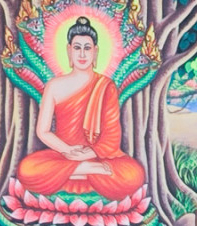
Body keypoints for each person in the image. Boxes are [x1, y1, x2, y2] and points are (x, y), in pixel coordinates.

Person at [14, 16, 147, 203]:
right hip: (63, 154)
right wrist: (68, 150)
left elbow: (111, 137)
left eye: (87, 48)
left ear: (95, 52)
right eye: (77, 48)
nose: (82, 54)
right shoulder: (54, 86)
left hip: (99, 156)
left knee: (134, 174)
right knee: (27, 169)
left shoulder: (105, 85)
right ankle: (84, 170)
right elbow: (42, 131)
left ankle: (78, 170)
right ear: (69, 51)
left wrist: (90, 153)